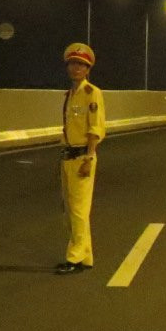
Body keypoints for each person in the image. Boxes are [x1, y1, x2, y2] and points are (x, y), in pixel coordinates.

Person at [56, 42, 106, 275]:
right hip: (68, 157)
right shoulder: (69, 95)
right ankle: (85, 256)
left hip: (82, 156)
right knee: (71, 210)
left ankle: (74, 258)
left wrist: (89, 157)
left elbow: (95, 128)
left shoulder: (91, 93)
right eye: (73, 64)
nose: (76, 68)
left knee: (78, 210)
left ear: (88, 70)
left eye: (81, 65)